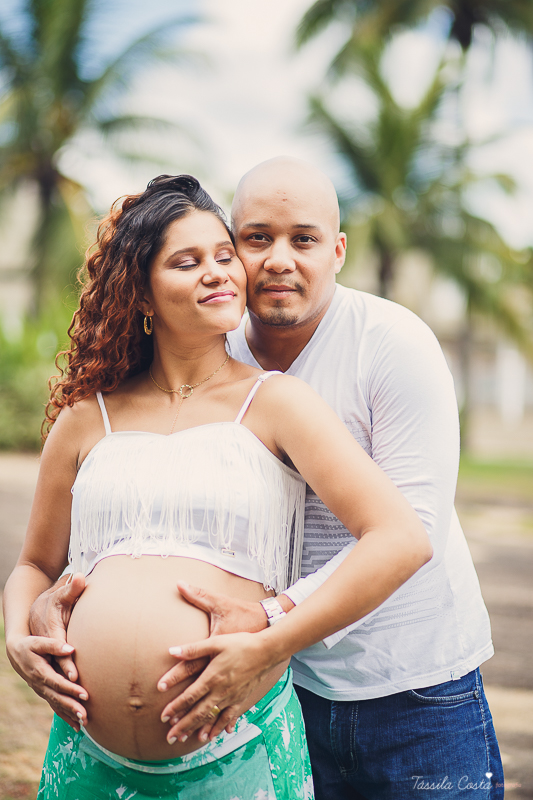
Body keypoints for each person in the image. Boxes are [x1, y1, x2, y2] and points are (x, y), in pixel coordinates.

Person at [3, 174, 431, 800]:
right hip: (86, 758)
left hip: (241, 752)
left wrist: (269, 641)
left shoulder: (277, 402)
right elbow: (34, 566)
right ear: (140, 294)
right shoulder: (83, 417)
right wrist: (19, 636)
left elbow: (400, 538)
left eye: (225, 255)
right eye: (187, 261)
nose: (218, 272)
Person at [120, 158, 505, 799]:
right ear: (231, 246)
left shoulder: (392, 343)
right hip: (278, 695)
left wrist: (271, 622)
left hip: (416, 690)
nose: (278, 259)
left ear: (338, 249)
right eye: (256, 237)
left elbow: (417, 526)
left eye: (304, 239)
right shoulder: (215, 353)